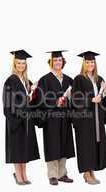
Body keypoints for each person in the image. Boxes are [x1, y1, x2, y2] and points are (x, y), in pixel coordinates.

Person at [36, 50, 75, 185]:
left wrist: (69, 100)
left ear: (63, 62)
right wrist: (55, 103)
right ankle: (52, 175)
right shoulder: (44, 80)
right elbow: (40, 100)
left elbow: (75, 99)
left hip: (64, 117)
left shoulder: (69, 80)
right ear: (51, 62)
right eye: (55, 60)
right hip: (51, 117)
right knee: (52, 144)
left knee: (64, 143)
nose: (58, 62)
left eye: (60, 60)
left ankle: (62, 173)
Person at [71, 51, 106, 185]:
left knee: (94, 144)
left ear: (95, 63)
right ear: (83, 63)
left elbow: (104, 99)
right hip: (84, 119)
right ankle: (87, 174)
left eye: (92, 62)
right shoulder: (79, 79)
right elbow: (75, 99)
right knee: (85, 145)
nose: (90, 64)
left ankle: (92, 171)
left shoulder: (99, 79)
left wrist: (105, 91)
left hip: (96, 118)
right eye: (87, 62)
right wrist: (91, 100)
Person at [3, 50, 40, 185]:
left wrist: (34, 91)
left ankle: (24, 174)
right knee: (17, 149)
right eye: (18, 63)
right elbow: (8, 103)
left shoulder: (26, 81)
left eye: (23, 63)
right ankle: (18, 175)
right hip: (16, 120)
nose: (21, 65)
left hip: (27, 120)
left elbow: (32, 100)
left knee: (24, 149)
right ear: (14, 64)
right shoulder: (10, 80)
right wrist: (14, 120)